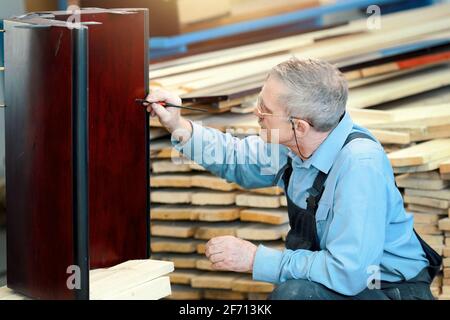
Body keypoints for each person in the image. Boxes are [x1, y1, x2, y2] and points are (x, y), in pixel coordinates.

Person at [146, 57, 441, 300]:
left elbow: (349, 272)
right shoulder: (295, 145)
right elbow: (238, 158)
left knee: (295, 295)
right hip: (348, 281)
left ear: (299, 125)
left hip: (388, 289)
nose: (255, 113)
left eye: (265, 109)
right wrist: (177, 124)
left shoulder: (359, 166)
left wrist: (254, 259)